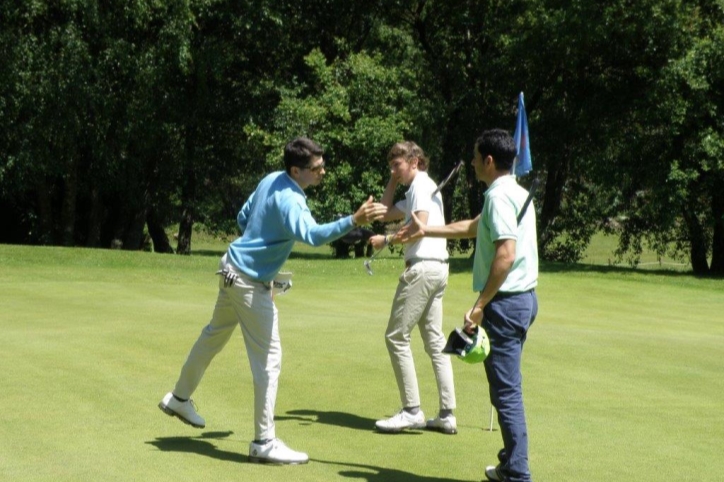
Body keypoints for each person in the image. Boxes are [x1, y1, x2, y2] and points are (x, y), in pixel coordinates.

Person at [158, 137, 387, 465]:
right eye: (316, 168)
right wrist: (353, 220)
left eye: (322, 165)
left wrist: (259, 248)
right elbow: (313, 236)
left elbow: (243, 216)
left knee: (213, 336)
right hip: (249, 282)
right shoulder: (292, 199)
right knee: (269, 360)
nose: (323, 171)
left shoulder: (271, 179)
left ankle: (179, 397)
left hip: (230, 268)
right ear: (297, 170)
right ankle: (264, 441)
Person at [400, 129, 538, 482]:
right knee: (504, 387)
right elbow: (473, 228)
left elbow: (505, 255)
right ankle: (511, 462)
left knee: (506, 392)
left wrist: (480, 305)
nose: (473, 163)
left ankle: (517, 474)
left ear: (489, 161)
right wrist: (425, 230)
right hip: (522, 301)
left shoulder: (498, 197)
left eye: (476, 157)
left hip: (506, 304)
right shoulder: (515, 193)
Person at [369, 141, 457, 435]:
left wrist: (387, 241)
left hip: (422, 268)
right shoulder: (417, 187)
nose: (394, 170)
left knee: (396, 336)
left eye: (398, 165)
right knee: (434, 340)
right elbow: (383, 212)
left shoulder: (420, 183)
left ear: (415, 161)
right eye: (391, 166)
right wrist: (393, 181)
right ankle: (447, 413)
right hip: (437, 267)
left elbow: (419, 228)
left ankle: (411, 411)